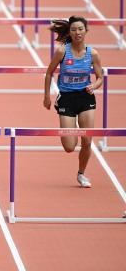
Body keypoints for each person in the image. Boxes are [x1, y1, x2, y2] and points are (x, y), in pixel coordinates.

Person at [44, 16, 103, 188]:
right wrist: (47, 96)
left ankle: (81, 174)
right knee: (70, 147)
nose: (77, 33)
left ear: (86, 31)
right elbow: (49, 73)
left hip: (85, 97)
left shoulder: (93, 54)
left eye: (80, 29)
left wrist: (94, 85)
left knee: (87, 141)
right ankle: (73, 126)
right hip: (67, 98)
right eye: (73, 30)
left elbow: (100, 77)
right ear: (69, 32)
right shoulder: (63, 51)